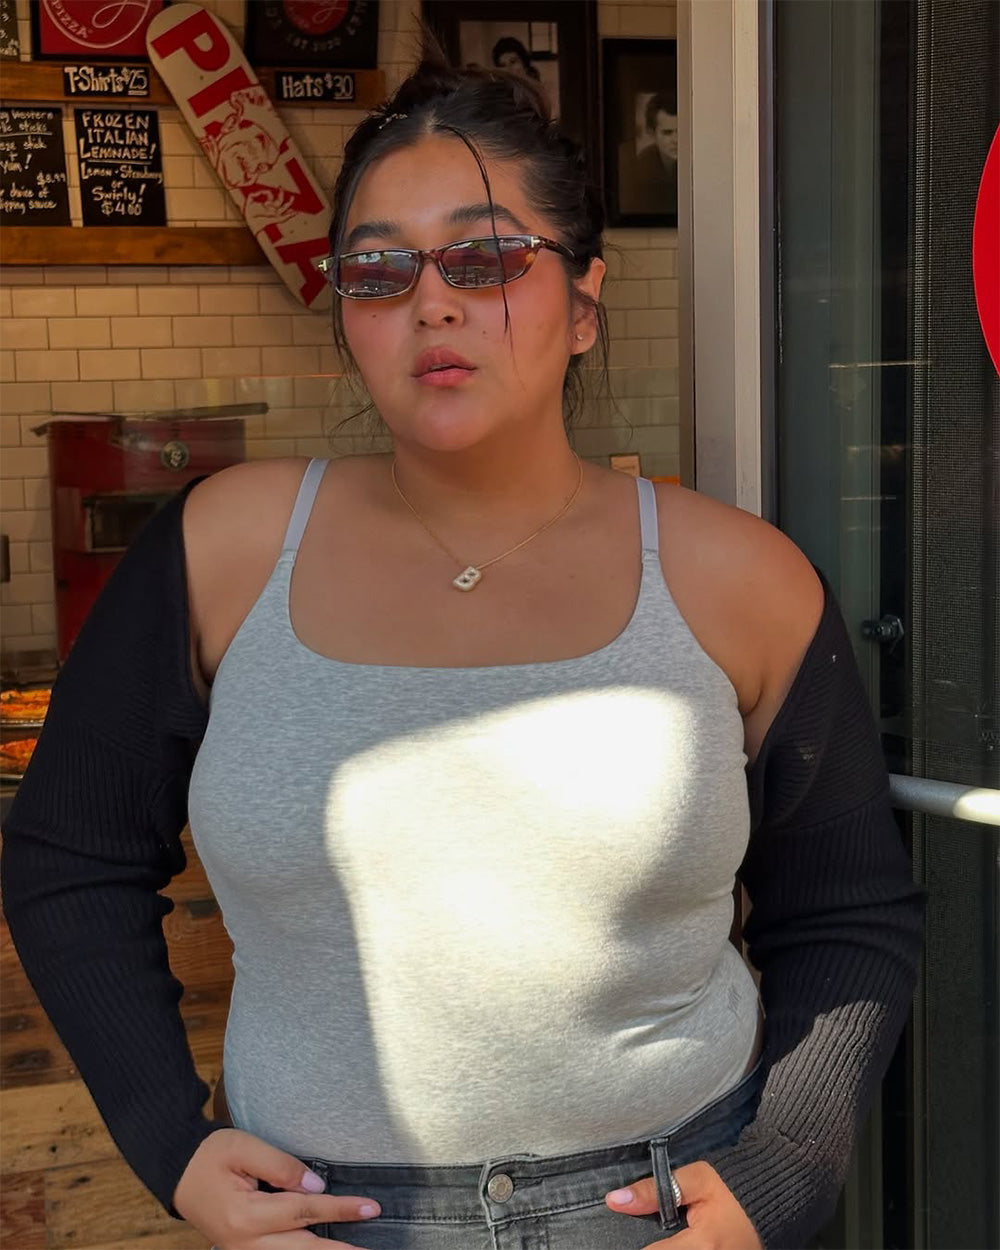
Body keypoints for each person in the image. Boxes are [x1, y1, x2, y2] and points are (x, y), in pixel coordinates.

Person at [1, 51, 924, 1250]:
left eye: (483, 258)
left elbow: (848, 909)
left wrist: (784, 1166)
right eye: (377, 269)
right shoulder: (222, 551)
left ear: (583, 301)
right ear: (347, 317)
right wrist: (165, 1137)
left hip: (663, 1209)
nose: (429, 302)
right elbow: (69, 853)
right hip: (319, 1215)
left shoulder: (740, 579)